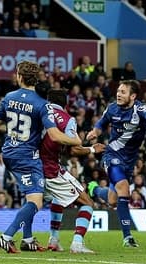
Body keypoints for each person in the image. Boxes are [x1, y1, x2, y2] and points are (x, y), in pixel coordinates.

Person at [0, 61, 82, 253]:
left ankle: (27, 240)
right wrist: (77, 141)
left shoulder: (8, 98)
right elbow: (54, 135)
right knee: (36, 201)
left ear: (20, 76)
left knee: (31, 197)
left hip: (9, 152)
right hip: (27, 157)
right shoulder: (41, 104)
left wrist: (17, 134)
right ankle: (6, 236)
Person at [86, 80, 146, 247]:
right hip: (112, 155)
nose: (118, 94)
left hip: (130, 161)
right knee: (123, 188)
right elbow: (100, 124)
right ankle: (127, 237)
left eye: (123, 92)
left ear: (133, 96)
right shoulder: (111, 108)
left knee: (113, 200)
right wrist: (94, 132)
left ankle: (94, 189)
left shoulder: (140, 109)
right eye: (118, 91)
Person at [42, 89, 105, 254]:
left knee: (57, 198)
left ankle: (53, 240)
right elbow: (74, 150)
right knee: (87, 202)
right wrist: (92, 149)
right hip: (51, 169)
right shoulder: (66, 119)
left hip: (32, 167)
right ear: (65, 104)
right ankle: (77, 243)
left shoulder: (39, 113)